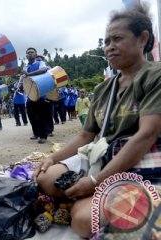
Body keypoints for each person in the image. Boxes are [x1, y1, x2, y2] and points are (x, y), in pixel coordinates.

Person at [33, 4, 161, 238]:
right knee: (45, 177)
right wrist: (52, 157)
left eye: (117, 39)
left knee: (83, 221)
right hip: (103, 160)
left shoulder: (155, 76)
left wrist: (95, 181)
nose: (109, 47)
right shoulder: (104, 89)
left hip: (139, 163)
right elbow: (85, 135)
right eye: (106, 42)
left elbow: (147, 135)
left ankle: (93, 198)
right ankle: (96, 197)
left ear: (142, 39)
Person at [23, 49, 49, 143]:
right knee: (31, 115)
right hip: (30, 94)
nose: (29, 54)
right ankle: (36, 133)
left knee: (41, 115)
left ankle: (43, 136)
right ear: (26, 55)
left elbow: (43, 70)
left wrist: (29, 74)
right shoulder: (25, 66)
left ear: (35, 54)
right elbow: (25, 79)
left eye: (31, 52)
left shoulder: (40, 63)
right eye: (28, 52)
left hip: (40, 92)